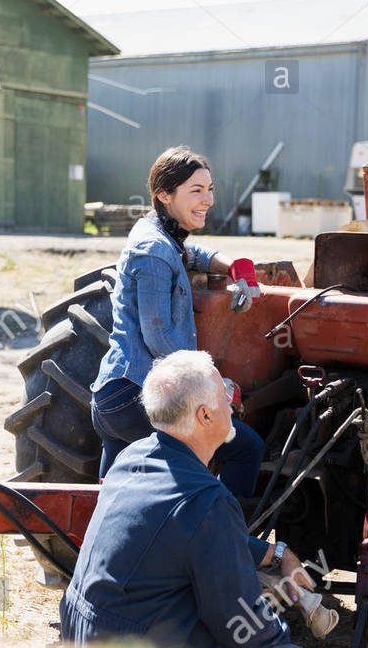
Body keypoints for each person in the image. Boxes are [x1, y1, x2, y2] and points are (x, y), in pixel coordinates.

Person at [62, 351, 323, 648]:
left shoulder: (132, 457)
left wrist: (276, 553)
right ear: (205, 416)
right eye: (225, 396)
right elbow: (240, 628)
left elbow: (188, 533)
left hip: (84, 640)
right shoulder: (209, 500)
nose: (233, 404)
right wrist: (278, 628)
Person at [91, 145, 265, 496]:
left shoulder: (156, 234)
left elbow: (192, 253)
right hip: (138, 396)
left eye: (210, 189)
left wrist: (234, 268)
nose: (208, 200)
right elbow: (159, 337)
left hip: (115, 398)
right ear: (164, 195)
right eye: (196, 191)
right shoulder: (153, 251)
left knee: (113, 496)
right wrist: (215, 382)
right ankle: (229, 539)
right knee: (247, 448)